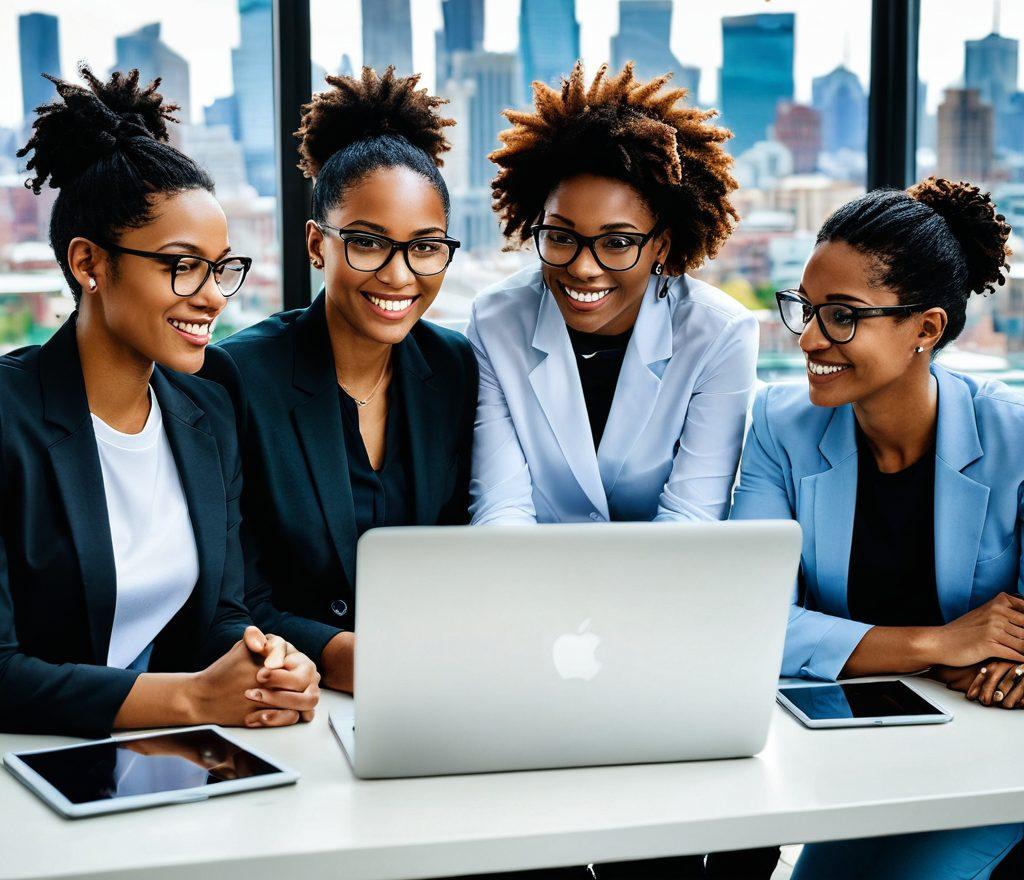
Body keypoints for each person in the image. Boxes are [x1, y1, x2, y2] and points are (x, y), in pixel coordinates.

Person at [470, 62, 769, 879]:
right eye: (560, 234)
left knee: (658, 853)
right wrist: (553, 641)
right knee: (536, 844)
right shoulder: (496, 320)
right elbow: (500, 508)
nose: (582, 266)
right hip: (535, 626)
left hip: (665, 631)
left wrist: (612, 648)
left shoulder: (721, 336)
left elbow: (690, 524)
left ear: (665, 242)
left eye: (617, 242)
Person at [2, 66, 319, 737]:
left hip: (156, 758)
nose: (212, 295)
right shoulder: (10, 417)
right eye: (181, 264)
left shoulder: (206, 415)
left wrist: (265, 662)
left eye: (222, 266)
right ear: (90, 264)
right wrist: (193, 701)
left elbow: (218, 618)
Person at [731, 178, 1024, 879]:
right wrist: (936, 643)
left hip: (997, 755)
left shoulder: (1013, 438)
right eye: (805, 308)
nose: (806, 337)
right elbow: (748, 616)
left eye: (841, 316)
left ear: (926, 329)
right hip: (858, 749)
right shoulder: (781, 425)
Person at [200, 67, 477, 693]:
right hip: (296, 694)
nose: (400, 275)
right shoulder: (238, 377)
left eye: (426, 247)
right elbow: (229, 598)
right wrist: (350, 657)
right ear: (316, 245)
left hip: (439, 683)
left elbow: (468, 551)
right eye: (368, 243)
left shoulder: (454, 370)